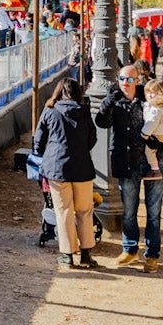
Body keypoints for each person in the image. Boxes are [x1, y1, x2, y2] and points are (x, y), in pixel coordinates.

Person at [97, 64, 163, 272]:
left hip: (152, 160)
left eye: (131, 79)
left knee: (153, 211)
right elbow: (101, 122)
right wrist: (108, 101)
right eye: (122, 78)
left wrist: (158, 143)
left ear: (138, 80)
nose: (126, 83)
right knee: (129, 210)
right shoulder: (114, 100)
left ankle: (152, 254)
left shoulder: (149, 97)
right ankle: (129, 249)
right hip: (127, 161)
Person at [32, 78, 98, 269]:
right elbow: (91, 139)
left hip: (57, 168)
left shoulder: (50, 110)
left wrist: (47, 153)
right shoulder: (85, 112)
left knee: (64, 212)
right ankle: (86, 254)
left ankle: (68, 255)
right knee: (85, 211)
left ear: (59, 92)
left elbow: (38, 140)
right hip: (83, 168)